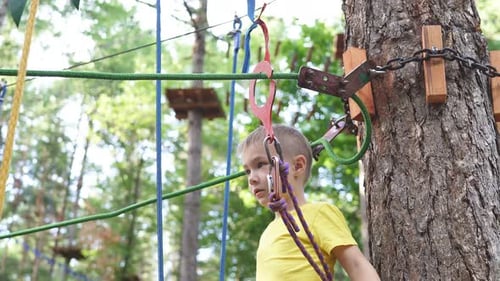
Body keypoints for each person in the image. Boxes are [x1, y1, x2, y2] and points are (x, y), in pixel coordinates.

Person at [238, 124, 381, 281]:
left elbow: (356, 265)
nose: (251, 178)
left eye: (260, 164)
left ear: (297, 166)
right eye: (247, 171)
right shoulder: (268, 232)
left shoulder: (318, 214)